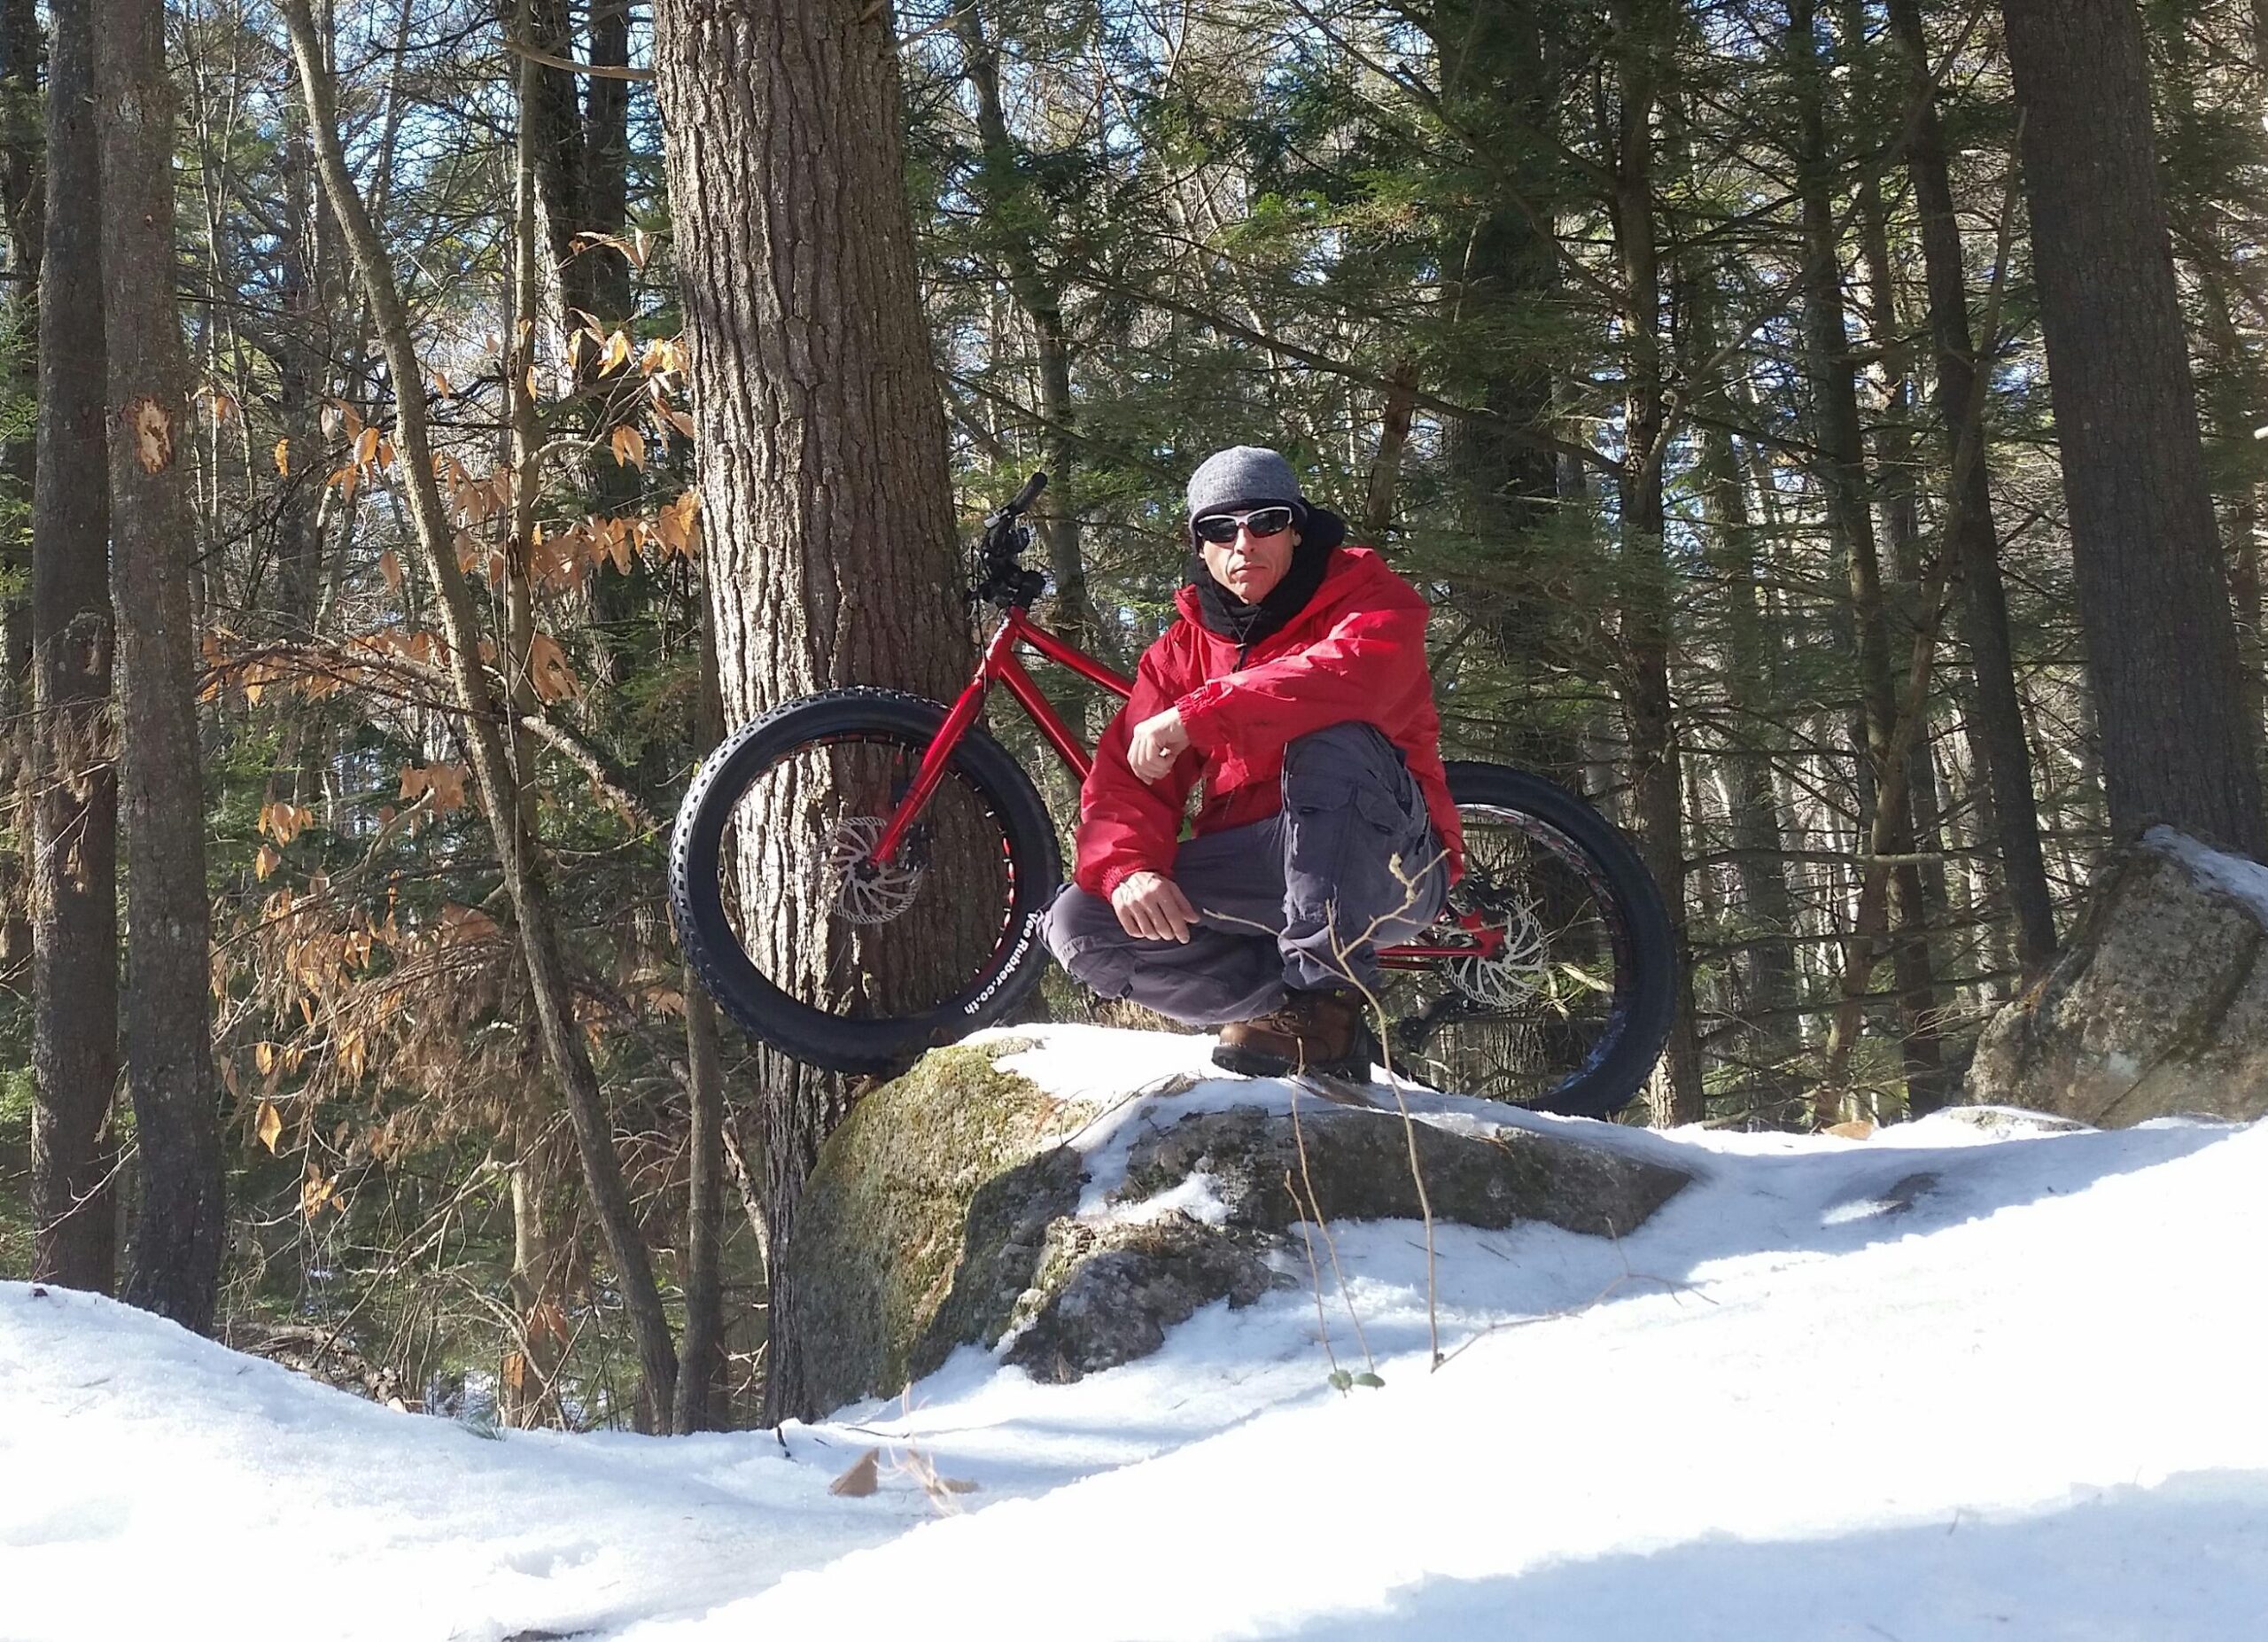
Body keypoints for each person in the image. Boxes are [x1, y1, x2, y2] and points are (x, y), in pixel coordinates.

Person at [1040, 446, 1464, 1078]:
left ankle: (1329, 1001)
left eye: (1264, 521)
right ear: (1199, 545)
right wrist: (1129, 868)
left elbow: (1351, 678)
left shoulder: (1370, 596)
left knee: (1330, 741)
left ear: (1296, 529)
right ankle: (1286, 1011)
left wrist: (1200, 713)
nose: (1243, 543)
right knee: (1082, 921)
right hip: (1266, 867)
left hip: (1388, 861)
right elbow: (1130, 779)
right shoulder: (1179, 651)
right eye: (1220, 528)